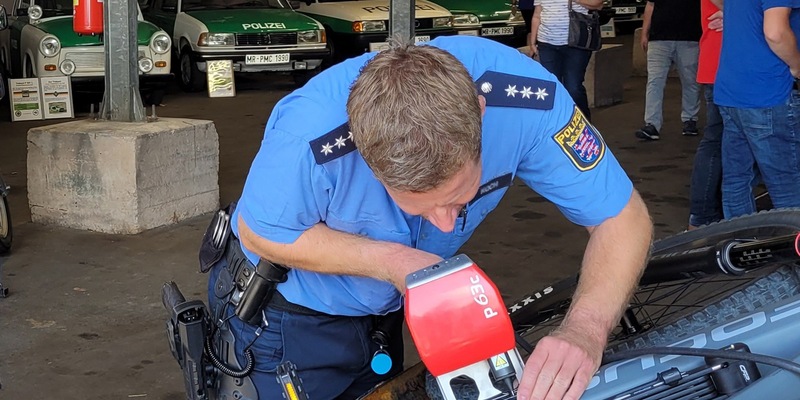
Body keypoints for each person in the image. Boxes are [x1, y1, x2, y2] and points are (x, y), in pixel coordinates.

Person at [205, 35, 652, 399]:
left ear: (480, 111)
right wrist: (397, 263)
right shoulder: (309, 136)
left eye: (461, 199)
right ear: (363, 153)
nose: (444, 226)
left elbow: (622, 218)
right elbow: (262, 232)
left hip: (383, 318)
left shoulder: (526, 101)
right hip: (285, 321)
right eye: (418, 205)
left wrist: (585, 331)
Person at [714, 0, 800, 219]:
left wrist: (741, 17)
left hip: (730, 88)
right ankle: (792, 248)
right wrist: (797, 65)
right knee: (786, 184)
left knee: (736, 181)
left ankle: (742, 244)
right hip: (767, 91)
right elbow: (775, 32)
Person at [634, 0, 701, 140]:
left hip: (689, 38)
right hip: (661, 38)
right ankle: (652, 123)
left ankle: (690, 119)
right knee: (655, 81)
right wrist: (644, 33)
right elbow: (650, 5)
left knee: (690, 81)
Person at [530, 0, 603, 120]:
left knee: (573, 87)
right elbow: (537, 15)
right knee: (552, 87)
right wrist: (533, 42)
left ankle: (583, 123)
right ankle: (557, 124)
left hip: (576, 44)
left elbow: (598, 4)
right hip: (547, 44)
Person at [687, 0, 723, 229]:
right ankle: (702, 215)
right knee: (717, 143)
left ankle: (705, 215)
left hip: (721, 65)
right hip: (724, 66)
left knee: (722, 144)